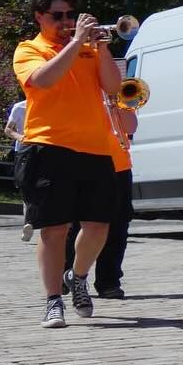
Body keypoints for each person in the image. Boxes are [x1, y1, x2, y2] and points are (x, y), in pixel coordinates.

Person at [12, 0, 122, 328]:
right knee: (53, 229)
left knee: (99, 226)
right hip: (48, 146)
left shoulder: (90, 49)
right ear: (39, 17)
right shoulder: (29, 49)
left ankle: (78, 276)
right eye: (57, 16)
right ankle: (52, 300)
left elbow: (113, 87)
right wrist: (76, 44)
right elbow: (43, 81)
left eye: (70, 15)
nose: (66, 21)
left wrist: (101, 49)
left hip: (94, 146)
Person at [65, 98, 137, 299]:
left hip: (119, 166)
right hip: (82, 162)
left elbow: (131, 126)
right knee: (76, 225)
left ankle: (109, 281)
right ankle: (68, 273)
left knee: (118, 225)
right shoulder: (77, 90)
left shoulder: (116, 93)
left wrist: (113, 105)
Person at [5, 98, 32, 242]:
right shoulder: (19, 107)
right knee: (25, 187)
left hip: (45, 150)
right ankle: (28, 223)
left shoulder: (51, 104)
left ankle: (37, 221)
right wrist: (20, 137)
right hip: (23, 152)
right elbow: (8, 129)